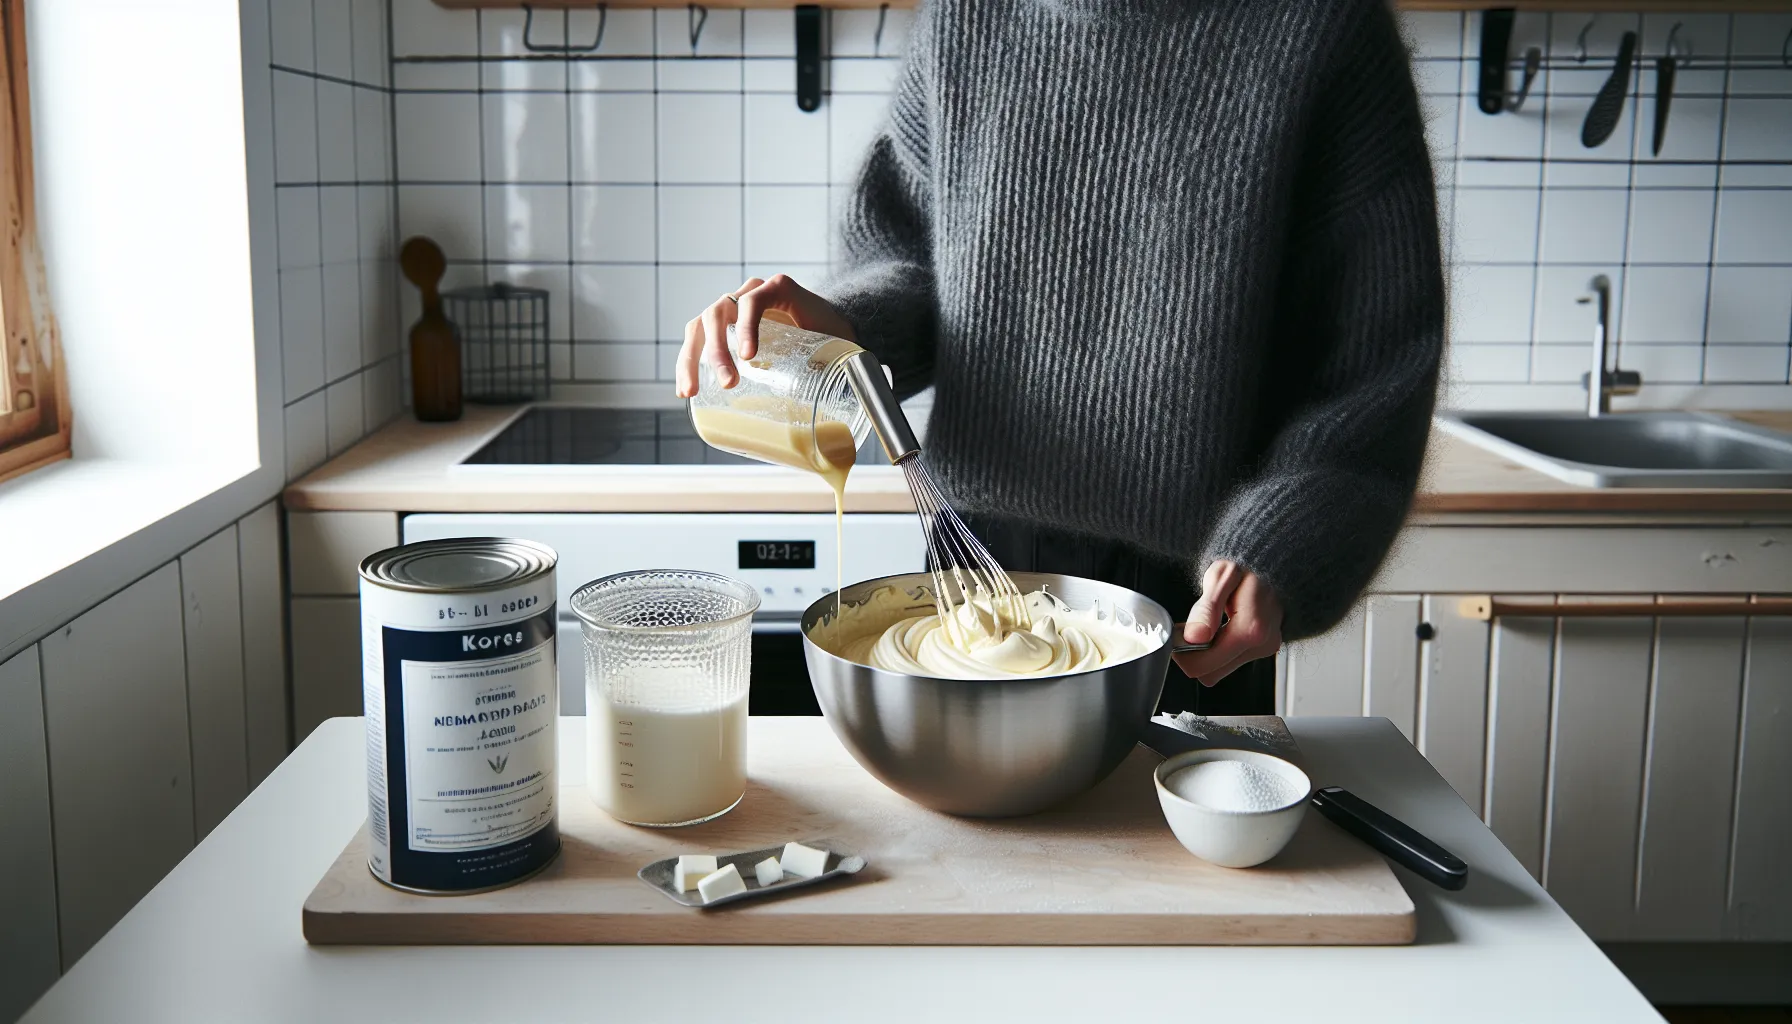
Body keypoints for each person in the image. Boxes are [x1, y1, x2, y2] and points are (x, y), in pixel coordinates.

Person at [675, 0, 1444, 715]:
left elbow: (1374, 371)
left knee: (1160, 857)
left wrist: (1286, 540)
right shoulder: (965, 16)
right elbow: (913, 262)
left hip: (1194, 594)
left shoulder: (1325, 30)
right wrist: (837, 326)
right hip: (974, 561)